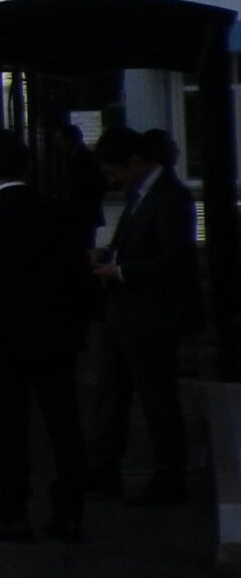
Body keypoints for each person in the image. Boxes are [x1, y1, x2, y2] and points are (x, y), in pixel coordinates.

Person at [0, 132, 89, 542]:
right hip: (54, 337)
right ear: (29, 167)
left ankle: (13, 513)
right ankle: (69, 513)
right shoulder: (59, 213)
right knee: (63, 424)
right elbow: (77, 278)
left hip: (2, 340)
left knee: (10, 428)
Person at [89, 126, 200, 504]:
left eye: (114, 171)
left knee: (156, 398)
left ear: (136, 162)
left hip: (151, 314)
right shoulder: (145, 194)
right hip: (127, 311)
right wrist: (110, 256)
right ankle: (105, 467)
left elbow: (175, 259)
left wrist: (120, 270)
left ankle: (168, 474)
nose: (113, 180)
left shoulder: (171, 198)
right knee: (113, 392)